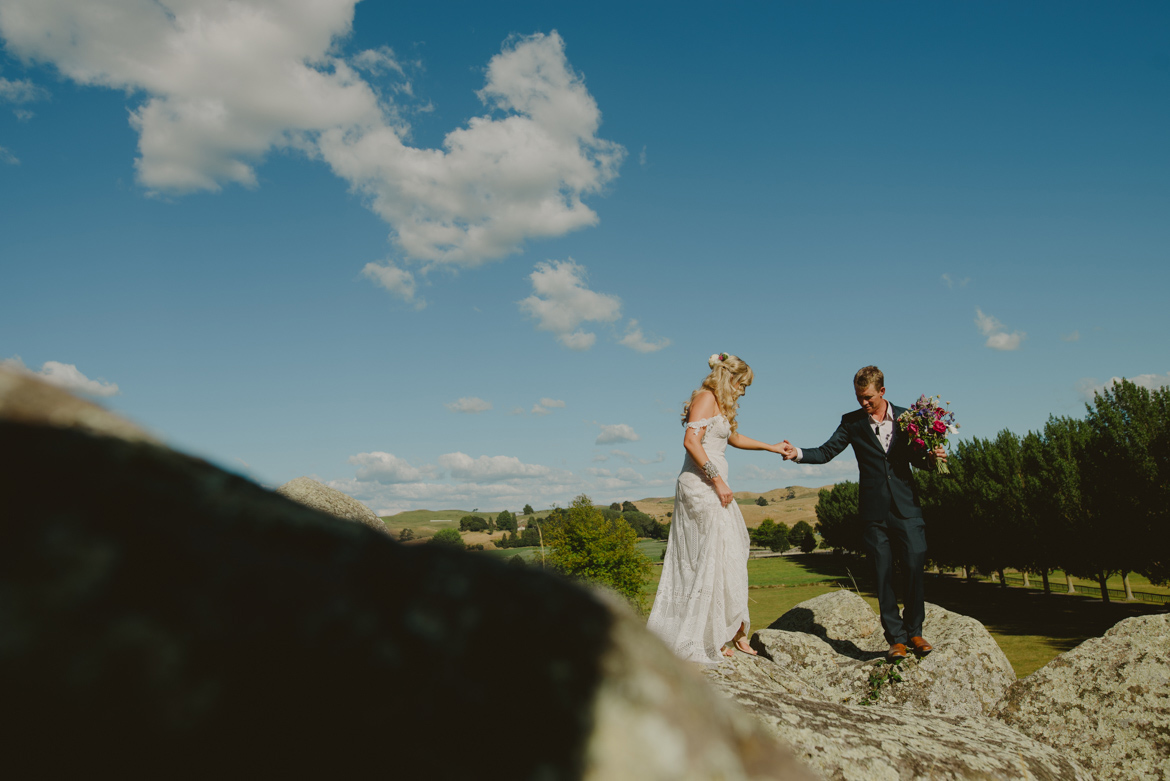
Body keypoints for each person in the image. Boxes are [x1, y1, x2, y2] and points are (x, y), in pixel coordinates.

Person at [779, 365, 946, 662]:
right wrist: (798, 454)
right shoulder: (851, 422)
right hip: (874, 512)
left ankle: (915, 632)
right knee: (882, 574)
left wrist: (934, 458)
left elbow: (919, 460)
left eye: (868, 397)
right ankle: (895, 639)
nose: (863, 403)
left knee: (914, 562)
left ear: (882, 391)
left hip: (907, 508)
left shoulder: (911, 418)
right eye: (859, 398)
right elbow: (827, 451)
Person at [647, 353, 786, 664]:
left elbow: (731, 437)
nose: (743, 391)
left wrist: (771, 446)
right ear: (729, 378)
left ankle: (729, 630)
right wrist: (718, 480)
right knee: (711, 556)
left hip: (713, 486)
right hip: (700, 487)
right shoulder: (705, 397)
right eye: (742, 384)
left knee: (730, 551)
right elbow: (691, 442)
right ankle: (716, 635)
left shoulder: (720, 404)